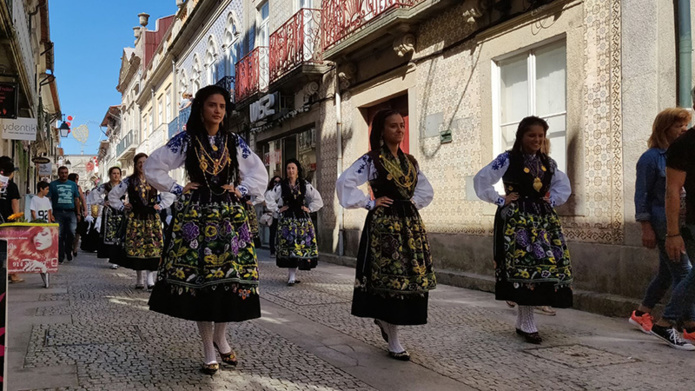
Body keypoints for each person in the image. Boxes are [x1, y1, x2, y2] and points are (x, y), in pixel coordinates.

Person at [144, 85, 268, 374]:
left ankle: (222, 338)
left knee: (227, 279)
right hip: (196, 216)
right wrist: (177, 187)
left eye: (222, 106)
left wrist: (240, 189)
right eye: (212, 105)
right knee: (201, 283)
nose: (217, 111)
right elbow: (154, 166)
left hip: (227, 215)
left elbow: (258, 172)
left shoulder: (234, 141)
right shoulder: (187, 140)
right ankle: (208, 349)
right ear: (201, 108)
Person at [335, 109, 436, 361]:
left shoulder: (411, 162)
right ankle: (393, 339)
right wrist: (370, 203)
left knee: (406, 279)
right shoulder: (372, 160)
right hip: (383, 228)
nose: (399, 130)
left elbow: (426, 190)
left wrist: (410, 205)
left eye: (401, 126)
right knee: (388, 280)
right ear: (381, 130)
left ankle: (389, 327)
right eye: (393, 126)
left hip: (409, 227)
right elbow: (344, 183)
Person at [473, 115, 572, 345]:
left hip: (542, 222)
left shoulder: (549, 163)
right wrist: (500, 200)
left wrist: (551, 201)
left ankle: (523, 321)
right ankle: (528, 322)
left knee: (540, 266)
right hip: (516, 221)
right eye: (531, 135)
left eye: (540, 135)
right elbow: (481, 180)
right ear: (521, 136)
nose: (537, 139)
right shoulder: (507, 159)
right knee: (525, 268)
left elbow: (562, 186)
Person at [629, 108, 692, 334]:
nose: (684, 130)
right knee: (685, 272)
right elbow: (642, 195)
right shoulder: (651, 158)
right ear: (665, 129)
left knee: (668, 273)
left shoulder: (681, 152)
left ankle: (641, 312)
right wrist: (646, 227)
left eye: (686, 125)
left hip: (680, 220)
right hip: (662, 222)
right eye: (679, 126)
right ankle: (688, 323)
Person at [651, 100, 695, 349]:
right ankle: (665, 322)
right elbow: (672, 191)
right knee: (686, 275)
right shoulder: (684, 145)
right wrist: (672, 232)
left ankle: (671, 323)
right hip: (691, 221)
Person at [109, 153, 174, 289]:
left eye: (145, 162)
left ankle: (150, 279)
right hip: (136, 218)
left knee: (152, 247)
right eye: (139, 162)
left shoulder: (154, 179)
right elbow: (113, 195)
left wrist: (161, 205)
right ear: (135, 164)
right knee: (136, 248)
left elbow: (169, 194)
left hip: (151, 218)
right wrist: (122, 206)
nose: (142, 165)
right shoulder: (129, 181)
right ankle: (139, 278)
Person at [265, 159, 323, 286]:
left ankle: (294, 275)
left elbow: (317, 198)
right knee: (289, 246)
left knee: (300, 247)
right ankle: (291, 276)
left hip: (302, 220)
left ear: (297, 171)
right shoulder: (281, 186)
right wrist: (278, 209)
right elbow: (269, 197)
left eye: (293, 168)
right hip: (287, 220)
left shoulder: (305, 184)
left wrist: (310, 209)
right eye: (288, 168)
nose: (290, 171)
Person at [87, 167, 124, 269]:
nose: (116, 175)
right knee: (111, 235)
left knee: (120, 234)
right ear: (110, 174)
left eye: (117, 173)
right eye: (113, 173)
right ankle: (113, 258)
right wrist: (103, 202)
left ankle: (119, 258)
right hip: (110, 212)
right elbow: (94, 194)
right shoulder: (106, 186)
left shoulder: (124, 185)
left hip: (121, 211)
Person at [49, 166, 80, 264]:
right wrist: (49, 213)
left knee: (71, 232)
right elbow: (48, 199)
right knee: (59, 235)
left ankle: (68, 250)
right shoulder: (53, 184)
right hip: (58, 212)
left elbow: (76, 199)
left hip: (71, 212)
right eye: (62, 173)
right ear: (58, 173)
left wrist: (78, 213)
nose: (64, 174)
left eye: (66, 172)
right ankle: (61, 255)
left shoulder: (73, 185)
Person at [0, 156, 24, 282]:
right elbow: (15, 204)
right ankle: (13, 274)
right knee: (11, 248)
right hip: (7, 222)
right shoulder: (12, 186)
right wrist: (17, 221)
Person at [68, 173, 88, 259]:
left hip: (77, 210)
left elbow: (82, 199)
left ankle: (75, 248)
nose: (77, 181)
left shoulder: (78, 187)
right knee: (71, 231)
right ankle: (70, 247)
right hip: (71, 209)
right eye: (76, 179)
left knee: (77, 232)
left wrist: (85, 210)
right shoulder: (68, 186)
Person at [264, 176, 282, 257]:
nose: (277, 184)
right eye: (275, 182)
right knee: (273, 233)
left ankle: (279, 249)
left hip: (281, 215)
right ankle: (272, 251)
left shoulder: (282, 191)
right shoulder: (269, 192)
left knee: (280, 233)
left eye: (279, 182)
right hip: (272, 215)